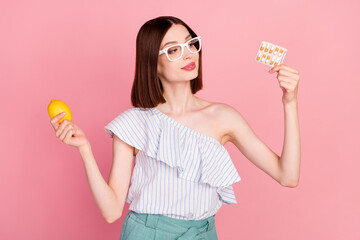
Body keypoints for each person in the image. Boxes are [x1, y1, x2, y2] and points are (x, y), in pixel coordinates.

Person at [50, 16, 301, 240]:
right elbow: (111, 211)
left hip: (203, 233)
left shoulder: (223, 117)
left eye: (191, 43)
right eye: (173, 50)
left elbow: (287, 176)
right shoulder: (134, 123)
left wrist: (290, 102)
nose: (188, 54)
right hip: (147, 233)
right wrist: (84, 149)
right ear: (153, 64)